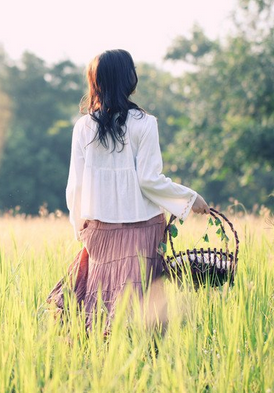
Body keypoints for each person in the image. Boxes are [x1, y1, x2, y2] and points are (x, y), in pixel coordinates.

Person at [46, 49, 210, 331]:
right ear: (129, 79)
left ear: (95, 81)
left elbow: (75, 186)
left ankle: (103, 362)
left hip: (98, 231)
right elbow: (149, 180)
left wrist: (79, 228)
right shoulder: (145, 124)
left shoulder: (83, 127)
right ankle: (141, 365)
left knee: (101, 307)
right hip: (142, 229)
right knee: (139, 307)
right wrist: (190, 197)